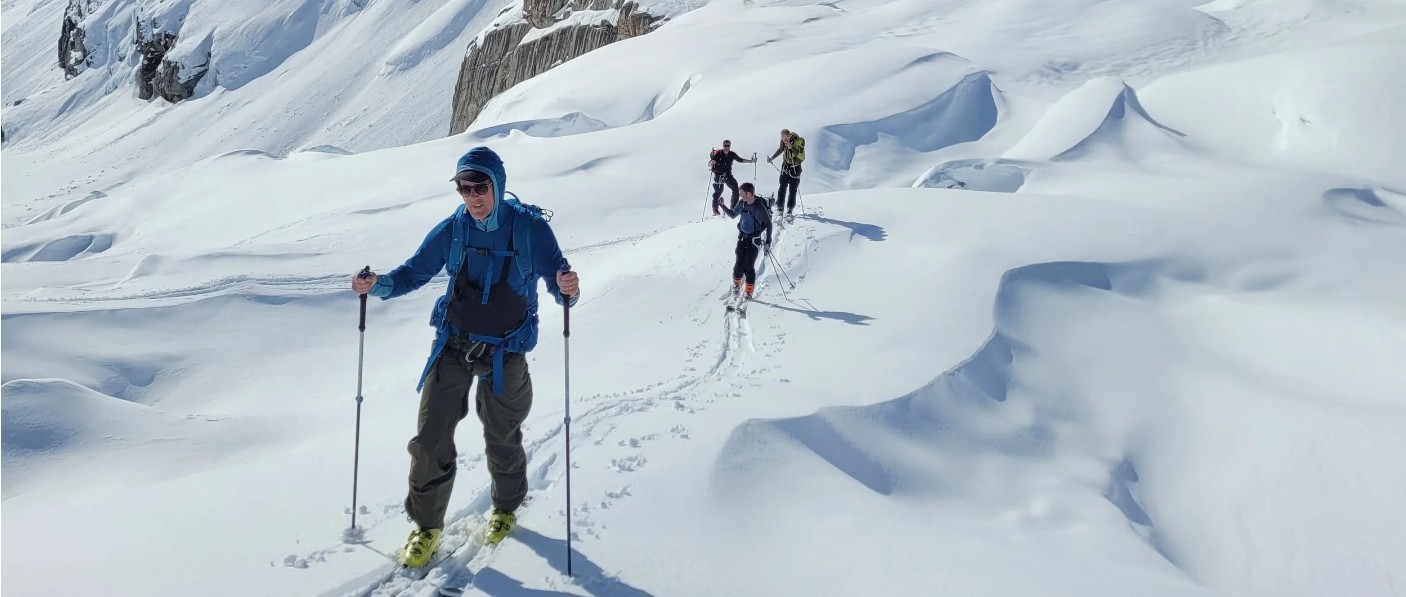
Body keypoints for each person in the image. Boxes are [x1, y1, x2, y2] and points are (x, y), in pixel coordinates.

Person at [350, 146, 581, 568]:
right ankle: (426, 527)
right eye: (463, 188)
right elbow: (413, 273)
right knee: (429, 439)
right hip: (453, 344)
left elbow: (559, 282)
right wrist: (376, 285)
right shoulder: (454, 229)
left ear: (497, 185)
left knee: (502, 436)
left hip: (507, 350)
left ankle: (506, 508)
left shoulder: (530, 230)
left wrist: (569, 289)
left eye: (480, 186)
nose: (472, 196)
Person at [719, 182, 772, 301]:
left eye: (742, 193)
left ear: (749, 194)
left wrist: (768, 240)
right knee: (738, 264)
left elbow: (768, 223)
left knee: (748, 265)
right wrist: (722, 206)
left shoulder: (759, 206)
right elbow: (733, 215)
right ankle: (736, 285)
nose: (740, 195)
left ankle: (749, 290)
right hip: (742, 238)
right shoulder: (742, 203)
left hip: (754, 240)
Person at [708, 140, 756, 215]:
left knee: (735, 189)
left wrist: (750, 161)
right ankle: (715, 210)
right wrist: (711, 163)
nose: (726, 147)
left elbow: (740, 159)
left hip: (727, 175)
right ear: (723, 146)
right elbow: (709, 163)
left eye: (728, 145)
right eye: (725, 145)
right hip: (718, 175)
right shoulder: (718, 154)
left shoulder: (732, 154)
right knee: (718, 192)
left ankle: (733, 207)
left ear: (730, 146)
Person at [767, 129, 805, 219]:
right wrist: (772, 158)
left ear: (789, 136)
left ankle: (790, 209)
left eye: (785, 137)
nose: (783, 139)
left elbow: (802, 157)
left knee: (793, 189)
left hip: (795, 168)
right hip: (785, 167)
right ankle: (780, 207)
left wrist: (792, 147)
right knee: (782, 187)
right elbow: (781, 149)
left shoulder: (797, 142)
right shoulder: (783, 142)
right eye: (782, 137)